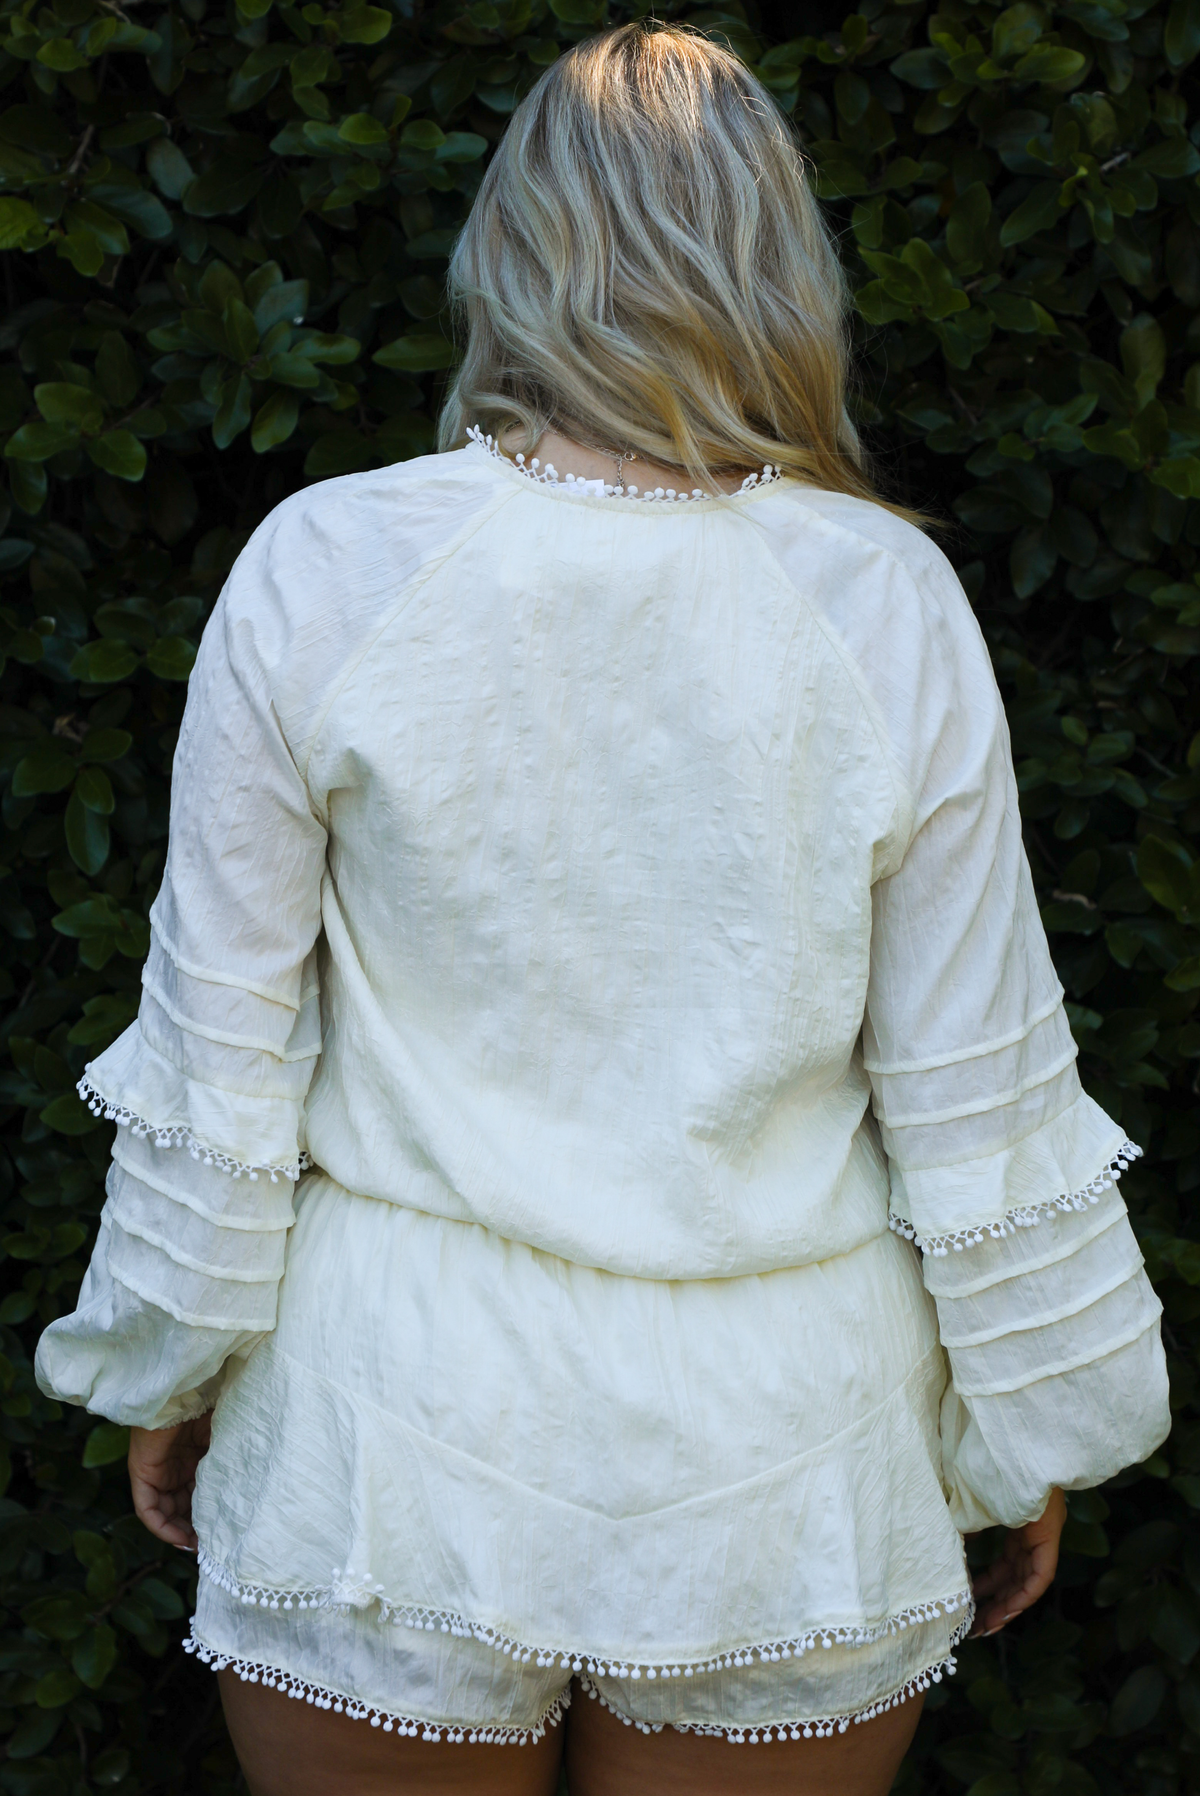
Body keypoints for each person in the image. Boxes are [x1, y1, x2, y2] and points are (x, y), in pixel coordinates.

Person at [36, 22, 1169, 1796]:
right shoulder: (886, 599)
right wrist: (1026, 1426)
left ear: (508, 253)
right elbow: (977, 1083)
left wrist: (174, 1361)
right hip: (785, 1452)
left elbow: (227, 1048)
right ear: (784, 266)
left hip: (387, 1428)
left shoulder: (330, 565)